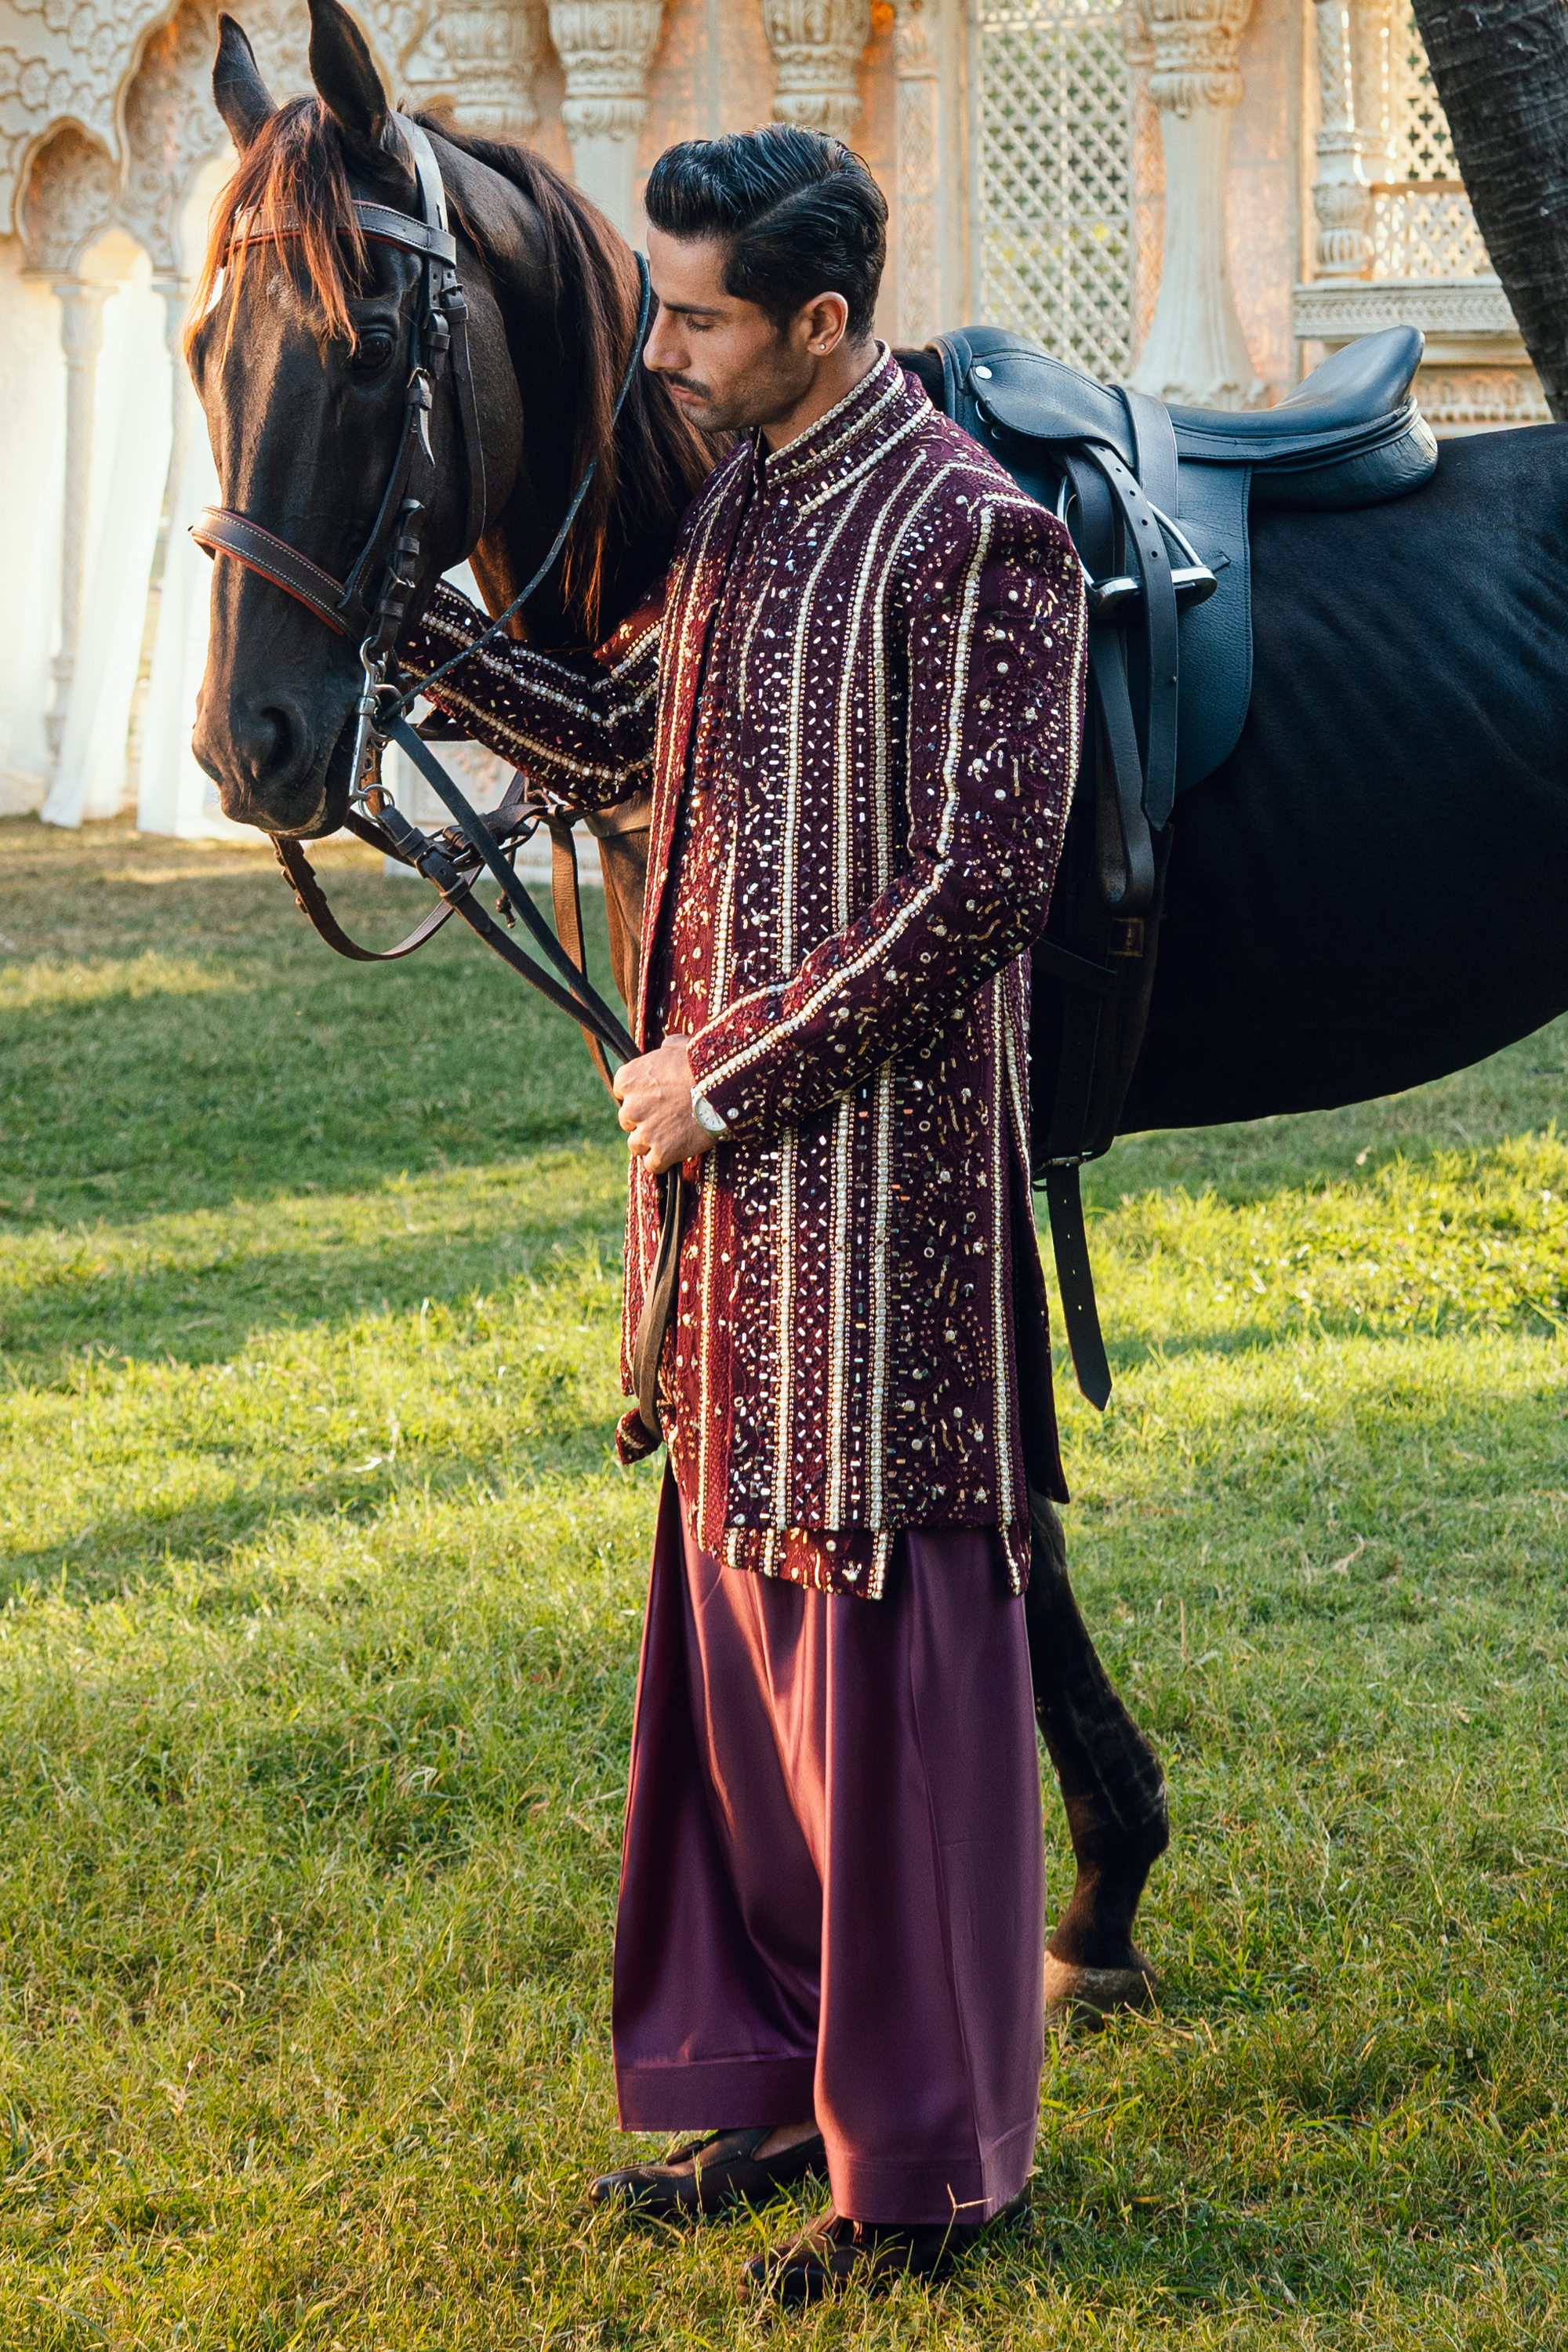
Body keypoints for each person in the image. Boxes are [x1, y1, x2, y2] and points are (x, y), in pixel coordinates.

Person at [399, 125, 1087, 2305]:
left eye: (694, 314)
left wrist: (729, 1076)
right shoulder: (743, 520)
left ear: (816, 321)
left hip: (883, 1227)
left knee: (887, 1688)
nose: (660, 346)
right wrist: (391, 631)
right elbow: (623, 735)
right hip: (721, 1235)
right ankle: (771, 2083)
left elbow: (983, 887)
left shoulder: (980, 538)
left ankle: (936, 2173)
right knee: (739, 1660)